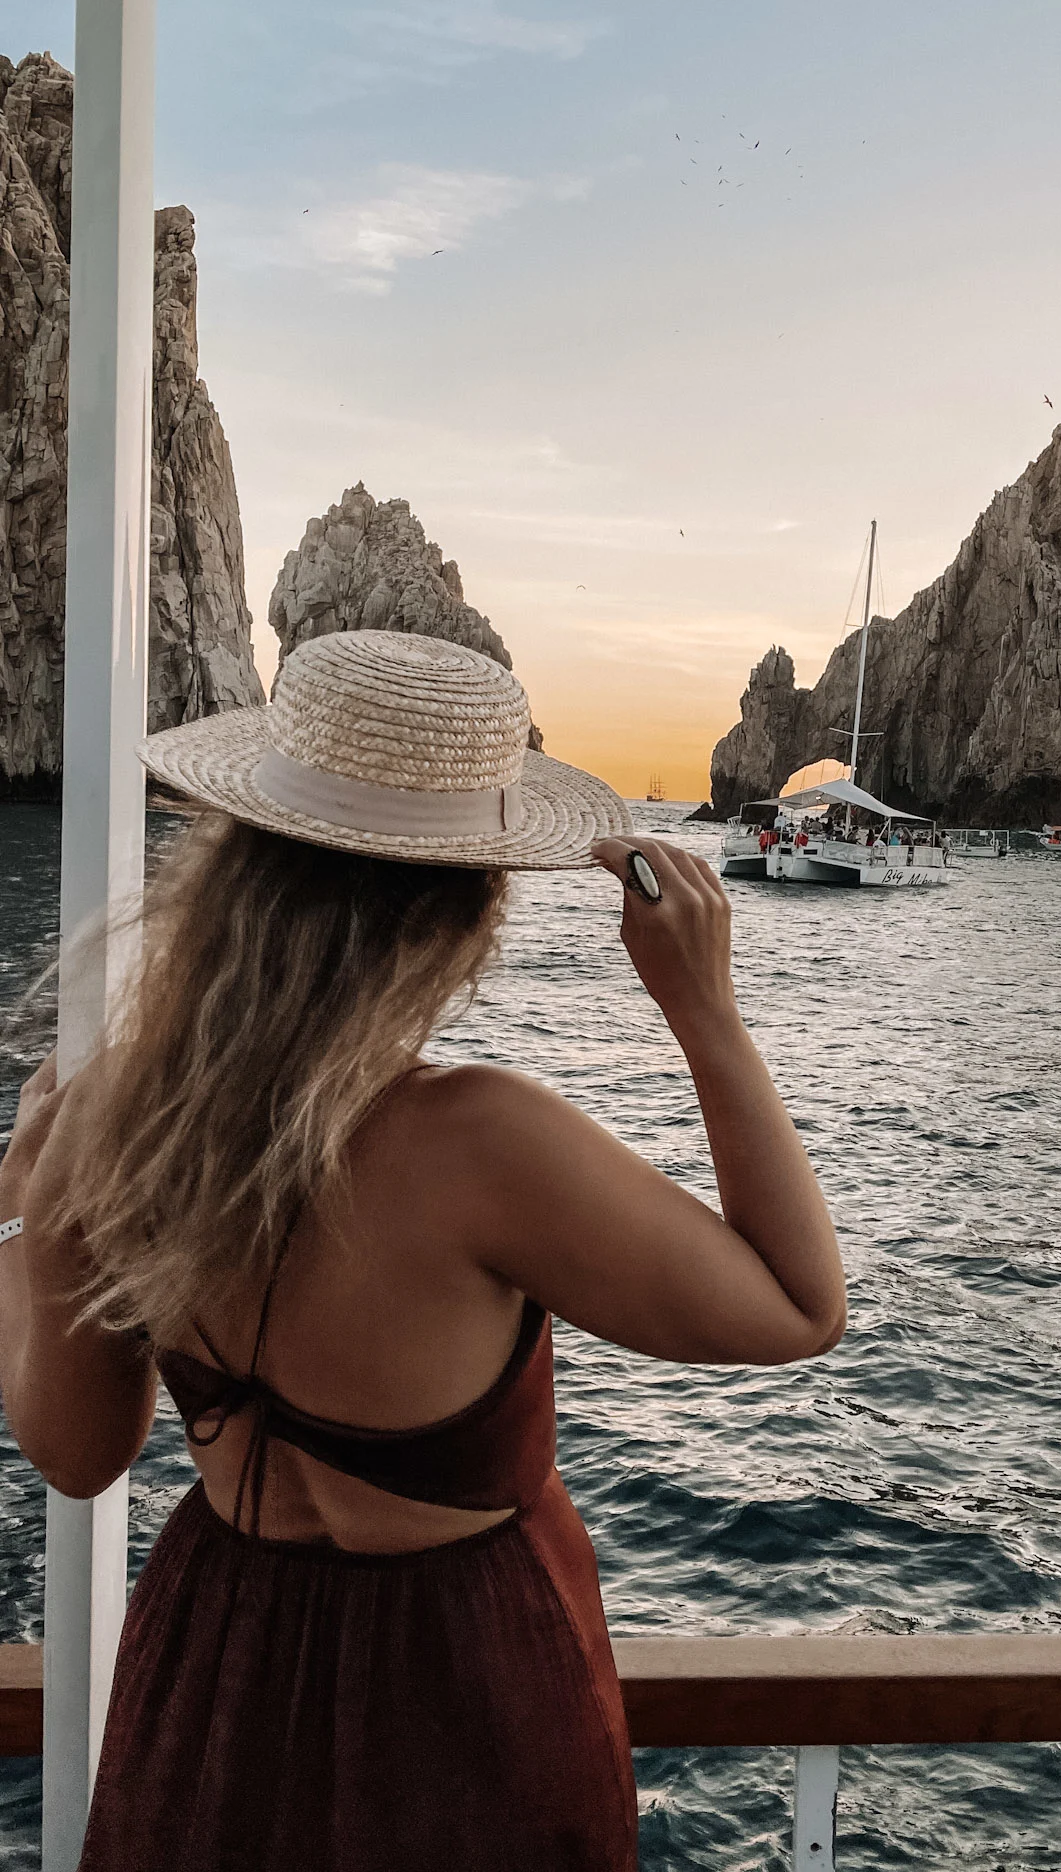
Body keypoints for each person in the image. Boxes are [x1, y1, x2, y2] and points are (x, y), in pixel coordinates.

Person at [0, 631, 846, 1872]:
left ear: (239, 859)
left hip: (213, 1671)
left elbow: (78, 1458)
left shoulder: (119, 1113)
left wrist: (30, 1217)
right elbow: (796, 1305)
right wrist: (702, 1009)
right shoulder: (481, 1144)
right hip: (463, 1698)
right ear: (470, 904)